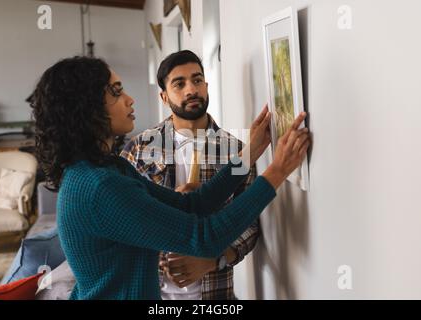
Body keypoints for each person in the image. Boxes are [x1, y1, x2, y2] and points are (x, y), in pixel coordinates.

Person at [30, 56, 310, 300]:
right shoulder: (100, 186)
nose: (130, 98)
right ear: (86, 107)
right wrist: (277, 171)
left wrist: (249, 155)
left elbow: (192, 204)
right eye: (116, 92)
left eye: (197, 79)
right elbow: (204, 237)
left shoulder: (109, 168)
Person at [121, 50, 259, 300]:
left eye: (197, 80)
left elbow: (249, 224)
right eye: (179, 84)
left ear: (206, 86)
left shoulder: (236, 151)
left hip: (214, 295)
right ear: (164, 96)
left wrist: (212, 260)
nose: (191, 90)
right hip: (151, 293)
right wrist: (170, 201)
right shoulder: (139, 149)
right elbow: (121, 219)